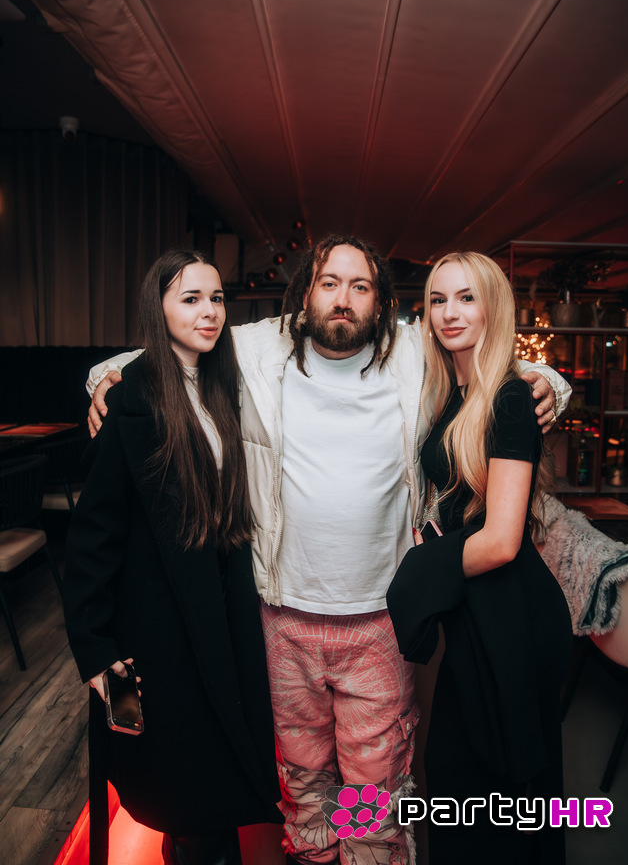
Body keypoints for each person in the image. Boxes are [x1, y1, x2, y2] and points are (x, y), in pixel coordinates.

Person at [85, 236, 569, 865]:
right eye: (329, 283)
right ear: (304, 293)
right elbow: (166, 343)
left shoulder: (412, 351)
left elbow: (492, 356)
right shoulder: (258, 347)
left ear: (381, 300)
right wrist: (102, 380)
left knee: (374, 800)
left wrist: (548, 382)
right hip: (281, 618)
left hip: (379, 624)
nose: (343, 299)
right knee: (305, 796)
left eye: (359, 286)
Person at [63, 249, 282, 865]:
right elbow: (93, 535)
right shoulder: (131, 399)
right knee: (182, 791)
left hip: (219, 617)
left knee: (218, 784)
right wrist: (94, 649)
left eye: (216, 298)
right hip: (158, 633)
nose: (209, 311)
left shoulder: (221, 387)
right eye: (190, 299)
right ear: (157, 309)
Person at [387, 252, 573, 865]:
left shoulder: (511, 398)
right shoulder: (452, 393)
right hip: (478, 611)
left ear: (493, 306)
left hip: (515, 614)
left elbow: (501, 539)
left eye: (467, 297)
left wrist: (418, 570)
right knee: (460, 784)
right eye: (438, 299)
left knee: (506, 798)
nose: (450, 312)